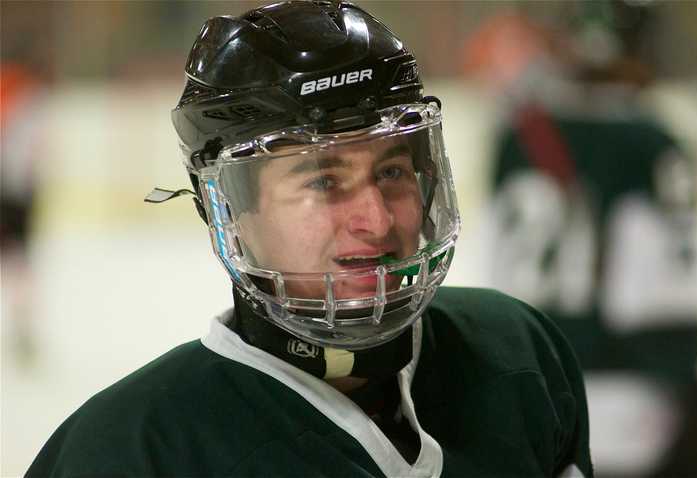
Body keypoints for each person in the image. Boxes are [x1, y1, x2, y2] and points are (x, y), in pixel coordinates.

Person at [26, 2, 593, 477]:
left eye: (393, 171)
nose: (374, 218)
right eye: (324, 180)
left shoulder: (519, 357)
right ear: (226, 208)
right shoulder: (129, 453)